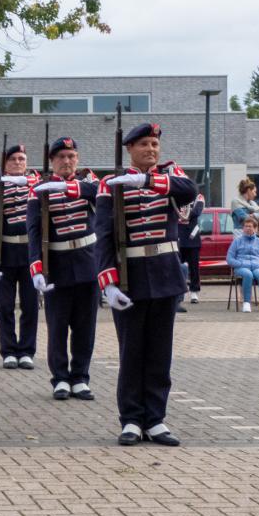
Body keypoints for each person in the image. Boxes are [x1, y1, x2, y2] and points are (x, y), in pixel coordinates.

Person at [95, 122, 199, 446]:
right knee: (132, 352)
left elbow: (189, 191)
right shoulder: (110, 185)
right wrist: (108, 283)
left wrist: (149, 180)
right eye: (144, 145)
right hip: (131, 276)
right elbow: (104, 236)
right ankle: (130, 419)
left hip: (166, 274)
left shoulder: (170, 176)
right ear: (129, 149)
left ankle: (155, 419)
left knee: (159, 353)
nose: (151, 150)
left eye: (154, 144)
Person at [27, 138, 101, 401]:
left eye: (71, 156)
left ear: (77, 159)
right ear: (52, 162)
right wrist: (36, 268)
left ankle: (80, 376)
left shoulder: (90, 184)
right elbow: (34, 231)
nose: (67, 161)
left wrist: (71, 188)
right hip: (56, 264)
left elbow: (101, 198)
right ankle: (60, 377)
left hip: (87, 262)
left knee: (85, 326)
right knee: (57, 326)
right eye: (61, 157)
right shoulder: (40, 190)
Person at [0, 143, 39, 371]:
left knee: (30, 305)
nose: (18, 163)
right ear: (5, 164)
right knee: (5, 305)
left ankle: (27, 350)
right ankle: (8, 350)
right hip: (5, 253)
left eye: (21, 159)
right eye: (13, 160)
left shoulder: (35, 185)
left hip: (29, 253)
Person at [226, 217, 259, 313]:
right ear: (243, 228)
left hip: (256, 266)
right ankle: (246, 303)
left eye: (250, 226)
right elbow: (229, 258)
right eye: (246, 226)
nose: (248, 228)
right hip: (241, 267)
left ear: (255, 229)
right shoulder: (237, 241)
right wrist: (240, 263)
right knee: (248, 274)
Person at [177, 193, 204, 305]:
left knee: (194, 267)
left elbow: (197, 211)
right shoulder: (176, 195)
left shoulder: (199, 197)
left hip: (192, 236)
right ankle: (179, 293)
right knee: (177, 267)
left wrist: (183, 215)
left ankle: (194, 292)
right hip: (178, 235)